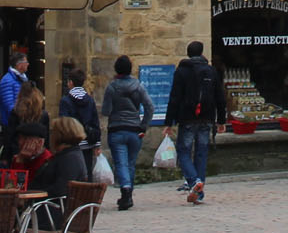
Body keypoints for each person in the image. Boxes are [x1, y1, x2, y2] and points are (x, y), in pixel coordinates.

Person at [162, 41, 222, 205]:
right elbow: (219, 97)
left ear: (188, 54)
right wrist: (221, 120)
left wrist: (169, 122)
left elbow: (174, 98)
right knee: (201, 153)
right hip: (206, 118)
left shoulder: (181, 72)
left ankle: (194, 181)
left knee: (183, 152)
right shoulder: (211, 71)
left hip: (187, 118)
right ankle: (199, 191)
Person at [99, 56, 152, 211]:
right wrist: (143, 126)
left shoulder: (112, 87)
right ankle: (128, 192)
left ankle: (126, 191)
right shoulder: (138, 86)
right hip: (134, 129)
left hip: (116, 129)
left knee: (121, 163)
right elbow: (150, 106)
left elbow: (106, 111)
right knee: (130, 163)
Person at [29, 119, 90, 228]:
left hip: (51, 214)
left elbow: (61, 189)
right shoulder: (68, 155)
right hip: (48, 210)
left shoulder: (69, 158)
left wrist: (35, 193)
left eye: (52, 132)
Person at [60, 66, 100, 151]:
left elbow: (63, 124)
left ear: (71, 82)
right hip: (88, 142)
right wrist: (97, 144)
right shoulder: (90, 100)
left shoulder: (65, 101)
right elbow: (95, 122)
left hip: (72, 144)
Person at [0, 85, 45, 161]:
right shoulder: (43, 115)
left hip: (18, 152)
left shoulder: (16, 113)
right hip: (38, 153)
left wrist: (6, 157)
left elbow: (10, 136)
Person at [0, 51, 31, 127]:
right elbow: (9, 105)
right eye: (26, 62)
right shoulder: (7, 80)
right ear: (19, 64)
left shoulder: (23, 79)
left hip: (21, 121)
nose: (28, 64)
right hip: (12, 123)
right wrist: (22, 115)